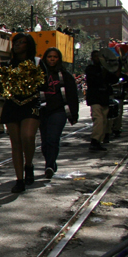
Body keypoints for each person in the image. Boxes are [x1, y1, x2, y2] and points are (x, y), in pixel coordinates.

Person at [1, 33, 42, 192]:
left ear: (29, 45)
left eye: (22, 42)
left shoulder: (38, 62)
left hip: (30, 103)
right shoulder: (9, 65)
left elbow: (44, 84)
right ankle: (19, 179)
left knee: (28, 136)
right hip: (13, 104)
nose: (18, 45)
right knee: (16, 143)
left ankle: (29, 164)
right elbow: (3, 86)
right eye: (16, 42)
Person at [39, 47, 79, 177]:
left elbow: (73, 95)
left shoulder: (65, 75)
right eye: (49, 57)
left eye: (55, 57)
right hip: (43, 111)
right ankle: (50, 162)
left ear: (59, 59)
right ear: (45, 58)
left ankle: (49, 165)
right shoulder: (39, 74)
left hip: (59, 111)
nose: (52, 59)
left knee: (53, 138)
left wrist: (74, 114)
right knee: (45, 142)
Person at [85, 50, 116, 151]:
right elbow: (93, 80)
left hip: (104, 98)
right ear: (92, 58)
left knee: (103, 120)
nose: (97, 58)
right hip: (95, 98)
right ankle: (94, 140)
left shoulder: (105, 69)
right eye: (95, 56)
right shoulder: (90, 69)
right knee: (98, 119)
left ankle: (99, 140)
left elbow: (114, 79)